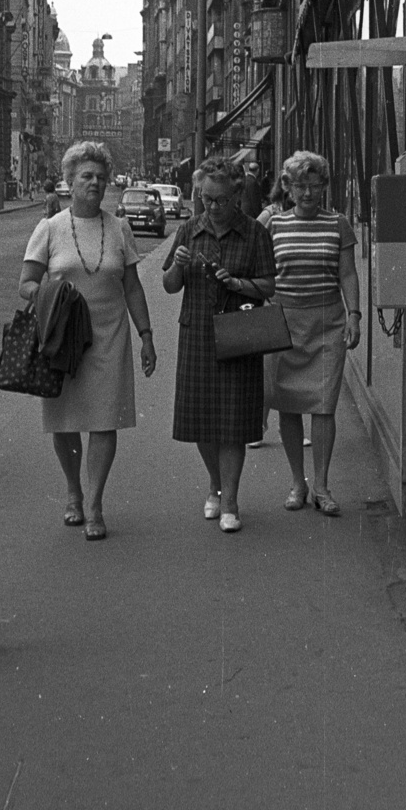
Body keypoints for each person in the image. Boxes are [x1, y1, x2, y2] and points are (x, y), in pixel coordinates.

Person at [18, 140, 156, 541]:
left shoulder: (120, 228)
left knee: (104, 419)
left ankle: (94, 504)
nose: (94, 183)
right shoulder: (49, 229)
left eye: (100, 177)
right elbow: (26, 283)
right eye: (86, 176)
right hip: (62, 339)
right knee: (65, 422)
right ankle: (73, 491)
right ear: (70, 181)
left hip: (109, 336)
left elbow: (132, 287)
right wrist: (53, 294)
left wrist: (146, 335)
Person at [162, 154, 275, 533]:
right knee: (201, 421)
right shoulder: (188, 230)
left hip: (238, 333)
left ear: (237, 195)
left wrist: (238, 283)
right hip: (197, 333)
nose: (213, 207)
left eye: (221, 200)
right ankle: (215, 483)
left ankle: (230, 501)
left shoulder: (255, 233)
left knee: (232, 423)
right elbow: (169, 285)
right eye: (206, 199)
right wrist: (177, 265)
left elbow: (268, 285)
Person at [258, 150, 361, 515]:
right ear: (287, 187)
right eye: (300, 186)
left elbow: (347, 273)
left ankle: (322, 486)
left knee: (323, 405)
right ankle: (297, 483)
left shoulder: (338, 224)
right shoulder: (274, 224)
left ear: (324, 187)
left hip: (327, 323)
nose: (307, 193)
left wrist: (354, 315)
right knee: (288, 404)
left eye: (314, 186)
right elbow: (259, 271)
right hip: (283, 324)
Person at [249, 173, 305, 449]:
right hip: (272, 299)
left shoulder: (304, 215)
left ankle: (292, 428)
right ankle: (258, 425)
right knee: (269, 371)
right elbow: (251, 243)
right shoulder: (270, 215)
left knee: (294, 370)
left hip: (298, 298)